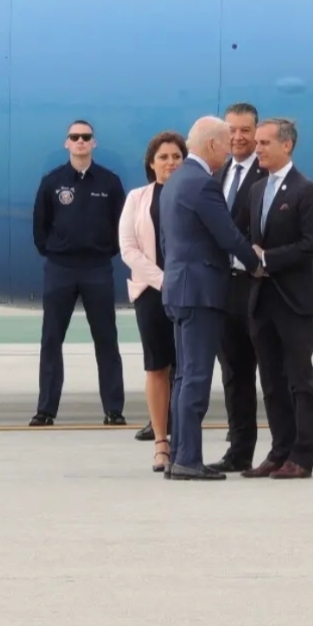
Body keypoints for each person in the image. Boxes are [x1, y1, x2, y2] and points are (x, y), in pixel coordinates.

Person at [159, 116, 262, 481]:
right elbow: (229, 236)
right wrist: (256, 262)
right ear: (213, 145)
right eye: (225, 141)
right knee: (197, 377)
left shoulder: (174, 182)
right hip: (201, 291)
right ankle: (188, 459)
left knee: (184, 376)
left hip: (178, 288)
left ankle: (179, 457)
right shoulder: (202, 184)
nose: (230, 146)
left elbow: (168, 242)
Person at [243, 118, 313, 480]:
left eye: (264, 142)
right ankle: (279, 452)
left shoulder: (306, 190)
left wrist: (267, 259)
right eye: (257, 142)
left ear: (287, 145)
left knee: (299, 381)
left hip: (294, 300)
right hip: (262, 299)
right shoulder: (257, 190)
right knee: (272, 382)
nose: (257, 148)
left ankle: (303, 456)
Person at [30, 119, 126, 427]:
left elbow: (120, 228)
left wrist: (100, 250)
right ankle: (46, 410)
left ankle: (113, 410)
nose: (81, 141)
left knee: (106, 339)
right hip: (60, 268)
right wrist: (57, 251)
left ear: (94, 143)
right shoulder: (52, 181)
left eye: (86, 137)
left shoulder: (109, 183)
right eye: (75, 137)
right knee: (51, 339)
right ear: (66, 143)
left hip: (98, 268)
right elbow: (39, 227)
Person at [119, 131, 186, 472]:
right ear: (151, 163)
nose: (170, 162)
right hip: (151, 293)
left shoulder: (196, 194)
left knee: (187, 368)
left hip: (188, 292)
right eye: (164, 157)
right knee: (158, 366)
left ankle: (186, 440)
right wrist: (163, 281)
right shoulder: (138, 198)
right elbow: (128, 248)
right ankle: (161, 442)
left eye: (176, 156)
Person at [208, 102, 267, 473]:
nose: (238, 137)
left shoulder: (268, 173)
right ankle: (239, 449)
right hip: (223, 287)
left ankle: (284, 450)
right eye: (232, 130)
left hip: (258, 285)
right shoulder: (218, 172)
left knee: (273, 373)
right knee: (234, 373)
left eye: (246, 130)